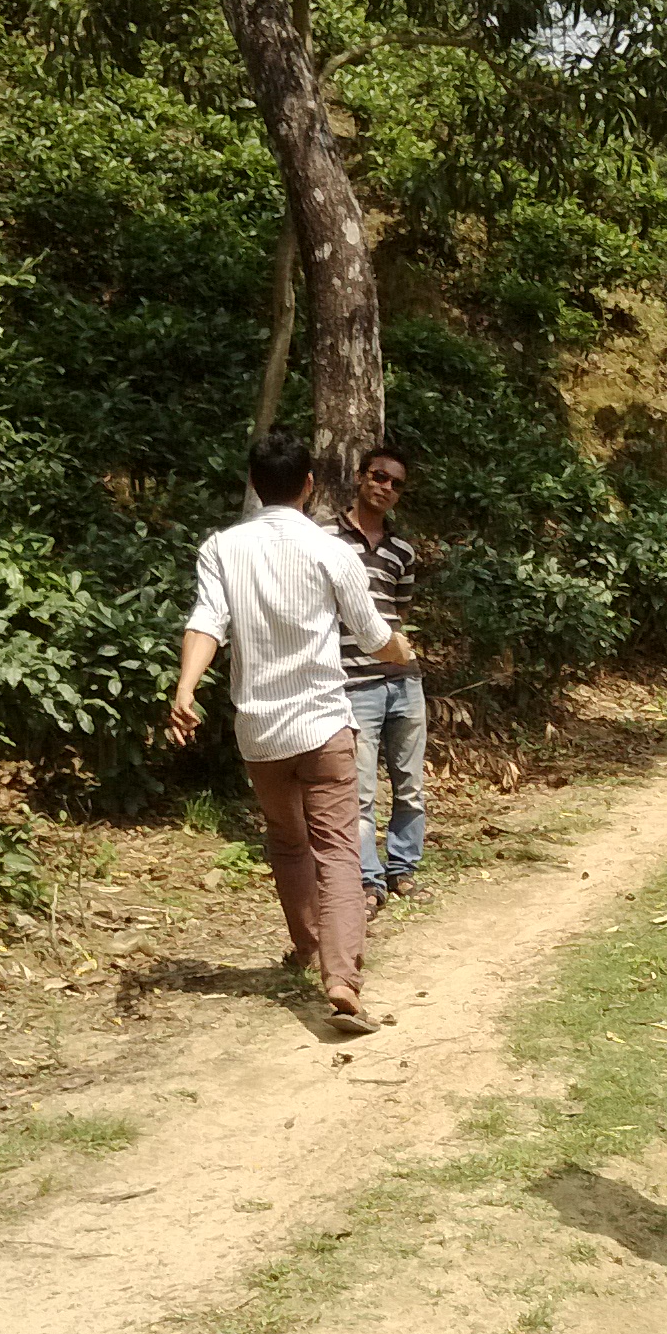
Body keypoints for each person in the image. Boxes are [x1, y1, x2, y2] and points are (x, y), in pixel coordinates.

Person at [169, 428, 414, 1036]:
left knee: (287, 840)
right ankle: (341, 979)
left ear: (254, 483)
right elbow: (372, 634)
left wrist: (185, 689)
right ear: (309, 484)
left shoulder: (222, 548)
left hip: (260, 732)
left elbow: (207, 622)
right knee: (339, 850)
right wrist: (402, 651)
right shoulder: (331, 551)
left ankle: (308, 946)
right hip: (324, 723)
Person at [328, 441, 427, 912]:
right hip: (354, 684)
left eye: (396, 483)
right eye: (379, 476)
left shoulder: (402, 551)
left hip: (405, 682)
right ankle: (368, 880)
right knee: (360, 791)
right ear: (360, 476)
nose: (385, 487)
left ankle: (403, 868)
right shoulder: (325, 539)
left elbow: (398, 613)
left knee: (410, 786)